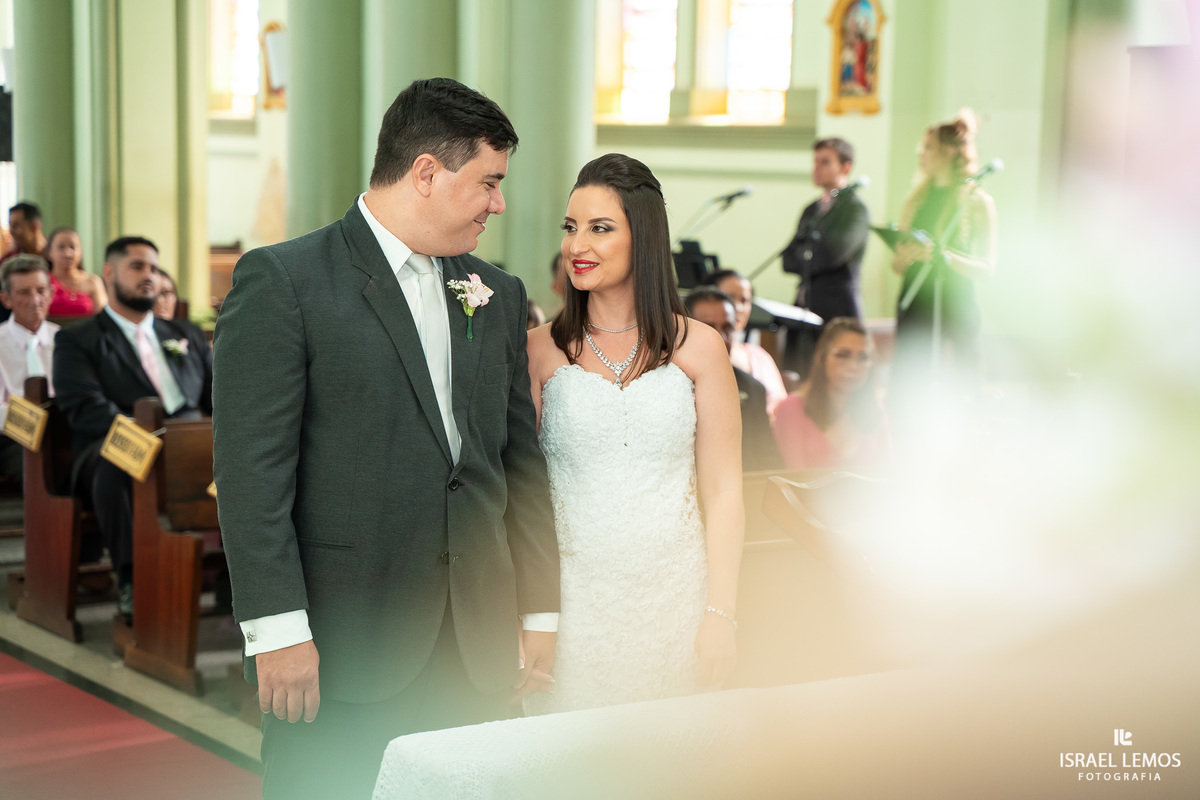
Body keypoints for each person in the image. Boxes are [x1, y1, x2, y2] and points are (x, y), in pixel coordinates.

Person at [211, 78, 559, 799]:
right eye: (488, 182)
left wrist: (538, 612)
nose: (499, 203)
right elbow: (253, 476)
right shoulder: (286, 282)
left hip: (475, 644)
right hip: (346, 640)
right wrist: (276, 630)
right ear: (427, 173)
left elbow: (517, 467)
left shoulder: (496, 293)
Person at [525, 153, 743, 715]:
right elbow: (518, 498)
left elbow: (724, 492)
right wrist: (531, 618)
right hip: (574, 608)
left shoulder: (700, 347)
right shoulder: (540, 350)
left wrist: (720, 612)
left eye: (600, 229)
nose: (578, 246)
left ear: (642, 238)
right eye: (571, 228)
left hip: (677, 600)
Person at [53, 236, 213, 620]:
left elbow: (215, 396)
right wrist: (149, 442)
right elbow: (86, 407)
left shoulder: (185, 334)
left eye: (154, 269)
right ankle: (132, 579)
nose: (150, 277)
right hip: (113, 441)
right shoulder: (78, 339)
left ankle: (229, 573)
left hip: (190, 441)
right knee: (119, 465)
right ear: (109, 273)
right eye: (137, 267)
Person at [889, 110, 998, 399]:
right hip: (915, 303)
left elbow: (987, 268)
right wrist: (906, 254)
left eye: (927, 148)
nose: (920, 154)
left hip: (955, 304)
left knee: (960, 389)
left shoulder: (977, 202)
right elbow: (897, 264)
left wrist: (944, 257)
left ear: (950, 152)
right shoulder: (914, 199)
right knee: (910, 389)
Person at [781, 137, 870, 376]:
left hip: (836, 309)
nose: (816, 168)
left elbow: (833, 255)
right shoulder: (811, 210)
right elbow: (787, 259)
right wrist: (808, 259)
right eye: (815, 162)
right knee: (798, 373)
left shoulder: (854, 210)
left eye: (825, 162)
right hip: (804, 305)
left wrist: (806, 258)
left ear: (845, 167)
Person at [772, 317, 891, 470]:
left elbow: (888, 475)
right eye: (843, 355)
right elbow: (791, 477)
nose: (853, 366)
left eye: (863, 357)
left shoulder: (876, 411)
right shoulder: (792, 408)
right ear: (821, 357)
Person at [684, 286, 782, 472]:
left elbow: (768, 460)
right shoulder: (662, 384)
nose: (721, 337)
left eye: (727, 328)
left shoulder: (752, 388)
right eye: (709, 327)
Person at [0, 255, 58, 483]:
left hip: (64, 431)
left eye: (41, 290)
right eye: (24, 293)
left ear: (51, 294)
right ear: (6, 299)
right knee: (37, 460)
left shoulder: (66, 341)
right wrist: (33, 421)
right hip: (12, 438)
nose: (35, 300)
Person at [707, 269, 788, 416]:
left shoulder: (760, 355)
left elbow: (784, 408)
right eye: (729, 298)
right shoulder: (697, 355)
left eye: (744, 301)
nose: (738, 308)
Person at [44, 226, 107, 316]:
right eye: (61, 247)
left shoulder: (93, 282)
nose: (68, 253)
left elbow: (103, 318)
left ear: (81, 252)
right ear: (49, 252)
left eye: (72, 247)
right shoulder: (43, 282)